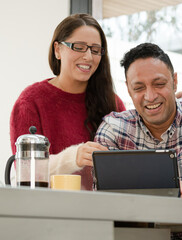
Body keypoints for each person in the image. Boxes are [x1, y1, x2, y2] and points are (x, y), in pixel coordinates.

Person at [94, 42, 182, 239]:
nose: (150, 96)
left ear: (174, 81)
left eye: (159, 84)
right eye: (139, 87)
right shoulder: (114, 129)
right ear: (128, 89)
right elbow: (104, 202)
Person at [10, 14, 126, 190]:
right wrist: (74, 157)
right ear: (57, 49)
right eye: (79, 47)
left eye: (95, 50)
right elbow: (26, 172)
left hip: (105, 211)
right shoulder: (31, 101)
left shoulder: (113, 103)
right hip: (50, 212)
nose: (88, 56)